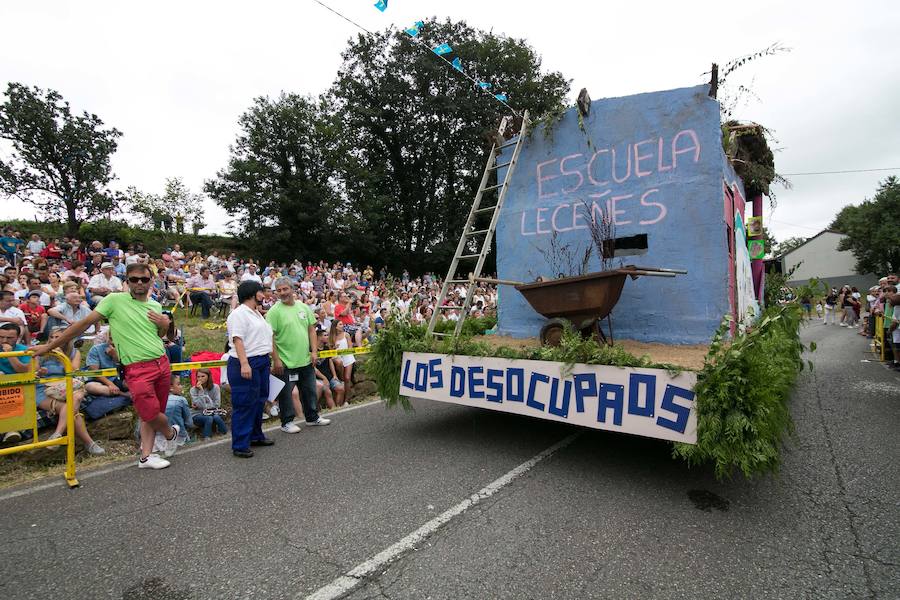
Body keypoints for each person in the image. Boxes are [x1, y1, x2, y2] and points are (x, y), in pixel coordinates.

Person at [33, 262, 181, 470]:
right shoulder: (114, 300)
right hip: (136, 367)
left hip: (161, 362)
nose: (139, 283)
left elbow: (158, 336)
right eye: (134, 279)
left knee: (154, 411)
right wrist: (49, 346)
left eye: (144, 279)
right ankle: (170, 433)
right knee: (150, 412)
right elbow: (81, 325)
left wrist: (164, 325)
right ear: (126, 281)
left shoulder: (155, 305)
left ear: (151, 281)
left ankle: (146, 457)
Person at [268, 277, 330, 435]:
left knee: (309, 390)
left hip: (305, 359)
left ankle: (312, 417)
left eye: (285, 289)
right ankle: (286, 422)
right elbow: (270, 337)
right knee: (286, 394)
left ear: (292, 289)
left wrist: (314, 351)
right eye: (279, 290)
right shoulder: (274, 311)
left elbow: (311, 329)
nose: (282, 293)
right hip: (286, 362)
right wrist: (276, 359)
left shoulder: (303, 307)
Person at [35, 326, 105, 455]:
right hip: (45, 387)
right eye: (52, 337)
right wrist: (39, 372)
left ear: (66, 339)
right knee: (73, 411)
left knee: (77, 396)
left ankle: (57, 434)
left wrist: (61, 356)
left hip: (66, 384)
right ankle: (89, 443)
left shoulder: (74, 352)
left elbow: (73, 371)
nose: (54, 340)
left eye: (58, 337)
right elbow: (34, 372)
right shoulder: (41, 353)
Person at [226, 280, 274, 458]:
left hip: (261, 361)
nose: (264, 295)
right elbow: (237, 339)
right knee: (245, 403)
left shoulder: (256, 313)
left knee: (259, 400)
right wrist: (245, 364)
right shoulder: (239, 314)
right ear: (252, 294)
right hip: (246, 362)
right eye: (261, 292)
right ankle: (240, 444)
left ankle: (255, 435)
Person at [0, 323, 30, 444]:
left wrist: (10, 354)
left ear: (17, 338)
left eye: (9, 338)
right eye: (1, 337)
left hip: (19, 387)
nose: (4, 340)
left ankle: (11, 430)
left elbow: (23, 369)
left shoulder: (24, 350)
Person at [189, 368, 227, 440]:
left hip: (213, 412)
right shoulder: (193, 390)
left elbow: (217, 405)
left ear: (208, 377)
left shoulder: (215, 387)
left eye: (203, 376)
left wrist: (205, 403)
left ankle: (224, 434)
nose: (200, 379)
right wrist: (201, 391)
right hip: (198, 414)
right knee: (208, 418)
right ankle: (207, 437)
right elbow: (200, 406)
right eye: (198, 376)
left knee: (216, 417)